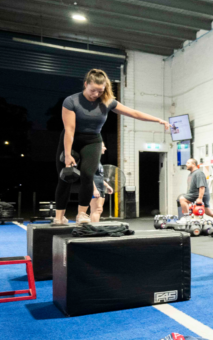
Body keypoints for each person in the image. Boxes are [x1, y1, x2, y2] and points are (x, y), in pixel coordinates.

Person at [55, 69, 168, 225]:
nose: (95, 94)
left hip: (93, 140)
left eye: (100, 91)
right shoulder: (71, 101)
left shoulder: (107, 101)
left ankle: (82, 214)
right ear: (86, 84)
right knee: (65, 177)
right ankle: (59, 217)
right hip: (71, 139)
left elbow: (133, 113)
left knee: (88, 175)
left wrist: (158, 120)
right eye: (92, 90)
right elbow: (70, 129)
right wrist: (67, 154)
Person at [89, 143, 114, 223]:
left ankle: (92, 229)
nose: (105, 148)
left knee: (98, 210)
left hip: (100, 188)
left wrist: (107, 185)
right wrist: (94, 189)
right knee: (96, 209)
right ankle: (94, 230)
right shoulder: (92, 159)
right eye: (103, 146)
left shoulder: (97, 161)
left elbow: (98, 176)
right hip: (95, 188)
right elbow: (89, 175)